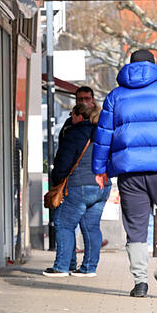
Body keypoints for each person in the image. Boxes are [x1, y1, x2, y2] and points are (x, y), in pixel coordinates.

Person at [92, 49, 157, 298]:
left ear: (129, 67)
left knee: (136, 227)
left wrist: (100, 170)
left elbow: (103, 135)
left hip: (130, 171)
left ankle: (140, 282)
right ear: (155, 65)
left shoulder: (115, 96)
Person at [44, 104, 110, 277]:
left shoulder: (74, 134)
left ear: (80, 116)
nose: (71, 117)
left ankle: (62, 267)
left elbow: (63, 163)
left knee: (64, 223)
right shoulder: (102, 133)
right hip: (102, 186)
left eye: (72, 114)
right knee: (92, 227)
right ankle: (89, 268)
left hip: (80, 185)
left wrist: (57, 179)